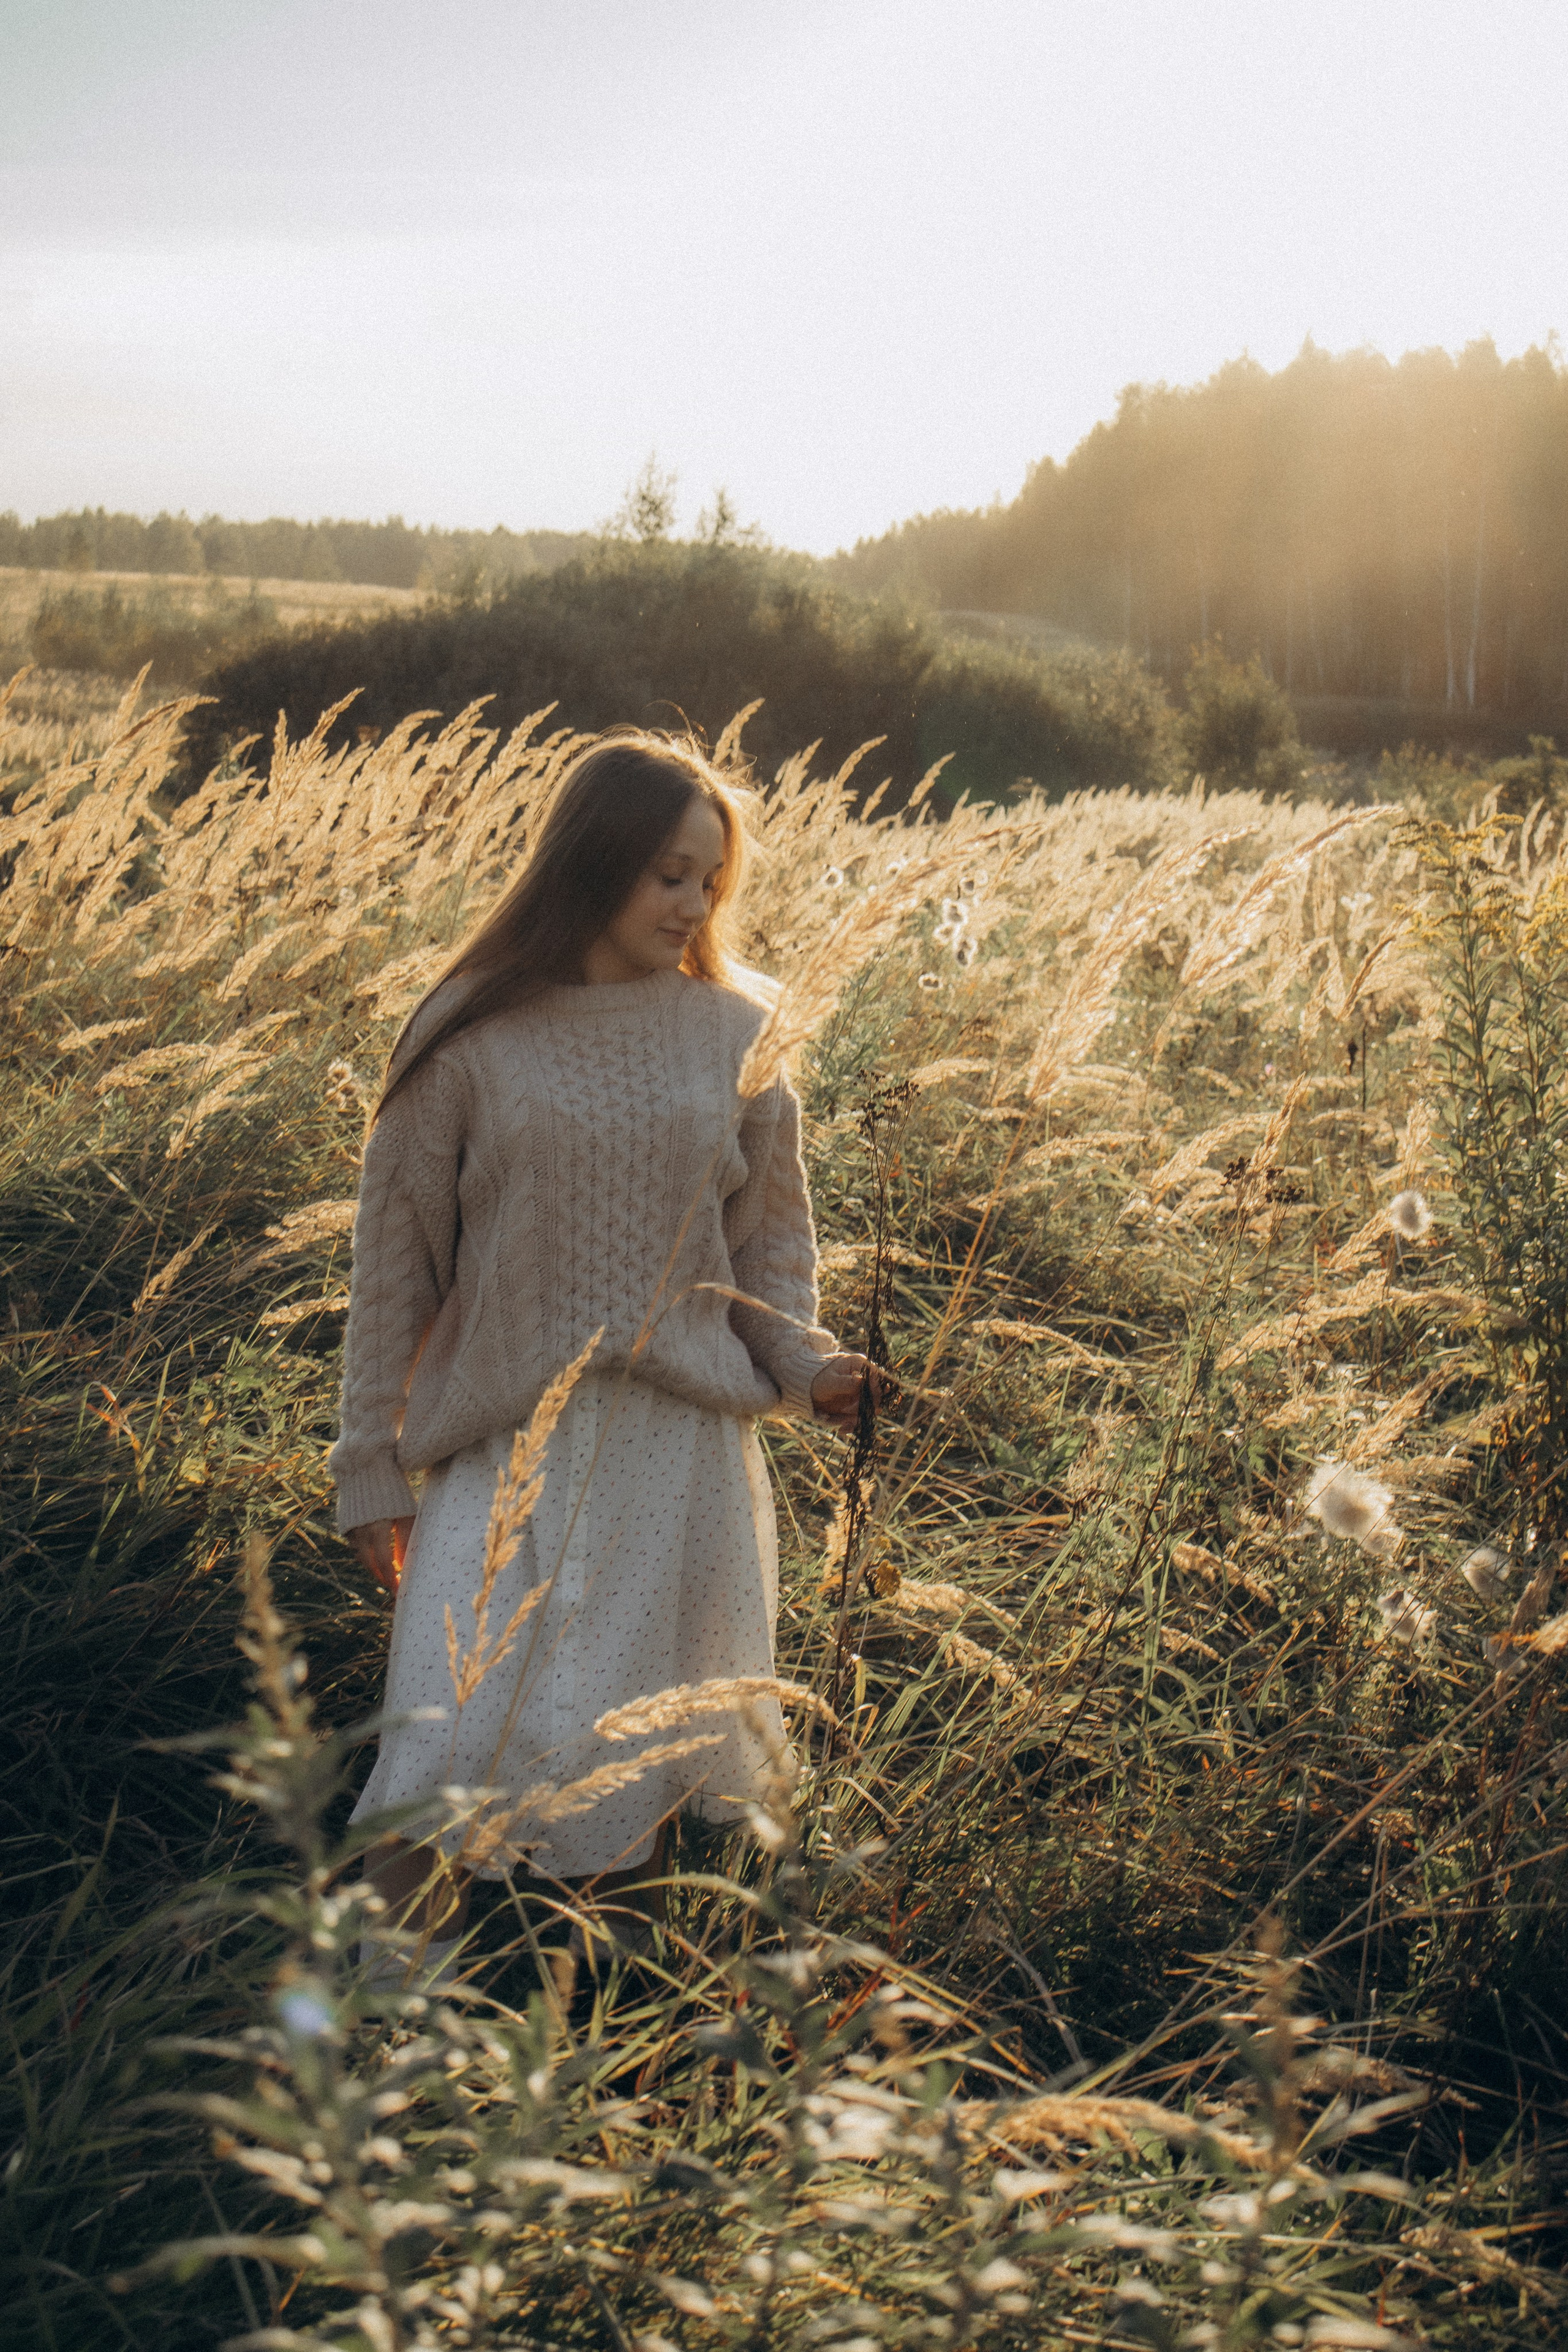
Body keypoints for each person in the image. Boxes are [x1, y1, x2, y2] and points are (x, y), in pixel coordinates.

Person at [330, 728, 870, 1979]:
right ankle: (384, 2037)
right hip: (508, 1449)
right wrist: (369, 1467)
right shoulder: (468, 1030)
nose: (690, 905)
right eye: (665, 875)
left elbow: (769, 1253)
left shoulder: (741, 1032)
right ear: (592, 864)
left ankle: (594, 2068)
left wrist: (811, 1366)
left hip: (679, 1460)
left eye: (709, 881)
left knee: (646, 1768)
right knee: (437, 1753)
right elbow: (392, 1267)